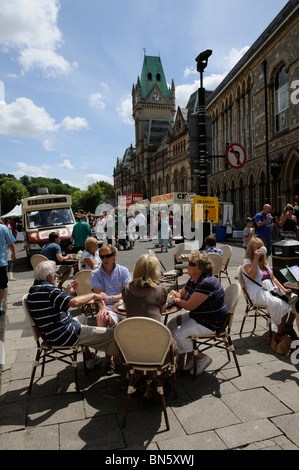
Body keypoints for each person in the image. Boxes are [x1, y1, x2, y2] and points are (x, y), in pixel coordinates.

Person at [27, 260, 119, 369]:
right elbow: (75, 303)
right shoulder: (49, 290)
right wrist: (93, 295)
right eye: (56, 273)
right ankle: (125, 363)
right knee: (114, 334)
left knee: (83, 318)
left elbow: (54, 306)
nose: (58, 275)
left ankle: (89, 357)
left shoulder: (34, 290)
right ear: (49, 277)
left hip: (50, 334)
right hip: (65, 334)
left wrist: (67, 293)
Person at [167, 251, 229, 376]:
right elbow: (182, 295)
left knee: (177, 335)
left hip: (211, 322)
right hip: (199, 315)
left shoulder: (206, 283)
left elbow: (189, 305)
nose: (187, 265)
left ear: (200, 269)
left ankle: (200, 357)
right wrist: (176, 294)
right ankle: (188, 357)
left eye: (191, 263)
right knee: (171, 325)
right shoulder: (193, 279)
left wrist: (175, 300)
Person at [122, 254, 168, 400]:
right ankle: (153, 377)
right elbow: (162, 311)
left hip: (131, 345)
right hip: (156, 345)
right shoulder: (161, 290)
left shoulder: (126, 289)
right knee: (170, 336)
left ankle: (140, 374)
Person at [242, 237, 298, 338]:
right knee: (282, 305)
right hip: (258, 292)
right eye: (258, 247)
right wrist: (255, 259)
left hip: (271, 289)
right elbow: (253, 275)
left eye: (262, 246)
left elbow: (273, 278)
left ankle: (288, 325)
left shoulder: (263, 262)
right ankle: (280, 331)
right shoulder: (247, 262)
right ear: (252, 249)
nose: (261, 249)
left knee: (296, 298)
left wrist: (283, 289)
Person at [91, 244, 131, 374]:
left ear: (114, 256)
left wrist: (110, 297)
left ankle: (132, 353)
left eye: (108, 256)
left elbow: (126, 294)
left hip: (123, 306)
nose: (105, 259)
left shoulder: (123, 270)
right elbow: (98, 296)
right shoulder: (95, 273)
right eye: (102, 257)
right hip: (108, 307)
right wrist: (103, 309)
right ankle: (109, 358)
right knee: (102, 318)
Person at [122, 254, 167, 322]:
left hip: (132, 330)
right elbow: (161, 310)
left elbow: (127, 308)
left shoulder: (126, 289)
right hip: (154, 330)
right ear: (155, 272)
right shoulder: (161, 290)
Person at [0, 223, 16, 315]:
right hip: (1, 262)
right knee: (2, 284)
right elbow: (11, 243)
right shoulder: (3, 228)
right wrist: (13, 254)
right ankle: (0, 305)